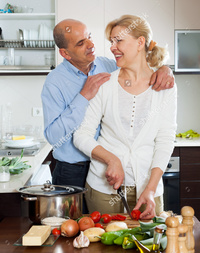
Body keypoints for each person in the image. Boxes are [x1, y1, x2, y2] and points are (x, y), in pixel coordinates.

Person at [41, 18, 174, 213]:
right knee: (74, 231)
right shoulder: (54, 82)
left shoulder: (107, 66)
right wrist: (83, 96)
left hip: (108, 168)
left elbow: (138, 65)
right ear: (65, 53)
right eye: (81, 43)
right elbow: (54, 137)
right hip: (73, 169)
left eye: (90, 37)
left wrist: (165, 69)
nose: (91, 45)